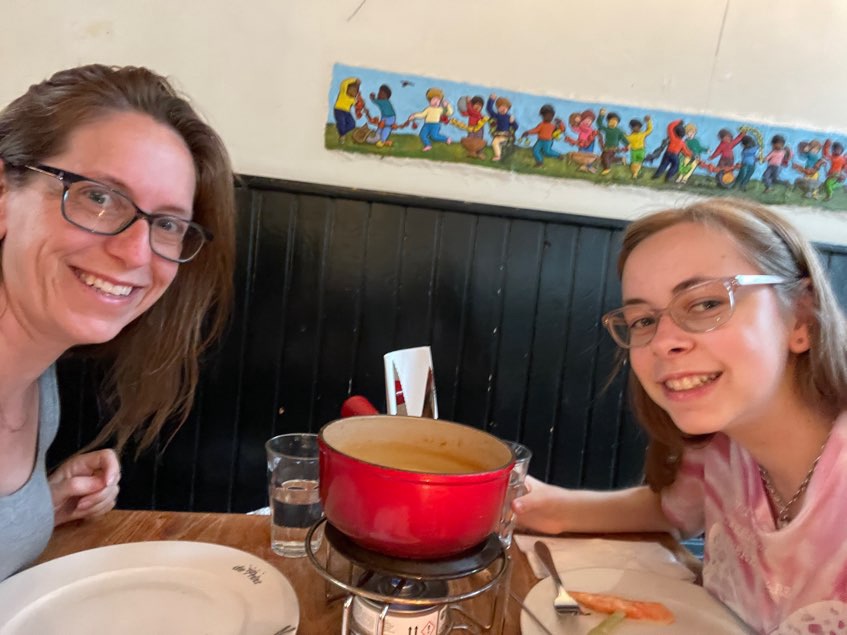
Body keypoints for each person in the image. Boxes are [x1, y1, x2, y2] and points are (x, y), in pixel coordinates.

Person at [513, 198, 847, 632]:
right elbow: (673, 510)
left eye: (705, 304)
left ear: (801, 318)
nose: (662, 342)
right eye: (642, 320)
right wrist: (547, 506)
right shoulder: (722, 442)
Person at [0, 64, 236, 580]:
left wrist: (39, 506)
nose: (135, 252)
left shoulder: (38, 382)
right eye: (98, 197)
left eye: (167, 223)